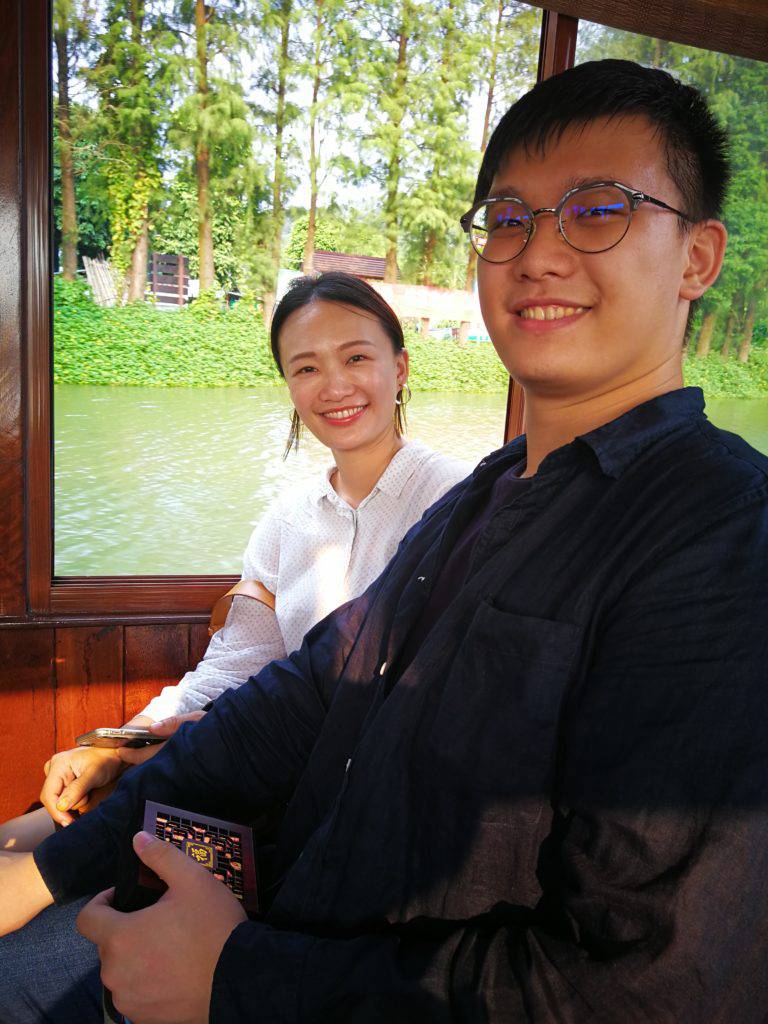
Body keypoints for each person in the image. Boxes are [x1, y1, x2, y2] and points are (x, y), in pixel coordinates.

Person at [2, 57, 768, 1024]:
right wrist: (50, 864)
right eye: (508, 218)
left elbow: (648, 987)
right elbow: (299, 697)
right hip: (282, 917)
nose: (538, 253)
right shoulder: (486, 498)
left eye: (598, 209)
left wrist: (235, 980)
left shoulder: (724, 538)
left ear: (697, 258)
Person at [0, 271, 468, 854]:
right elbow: (237, 663)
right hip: (269, 767)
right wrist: (121, 740)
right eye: (306, 368)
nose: (334, 386)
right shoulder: (288, 518)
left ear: (399, 368)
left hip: (390, 797)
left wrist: (217, 738)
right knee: (43, 821)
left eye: (356, 357)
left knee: (58, 849)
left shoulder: (461, 501)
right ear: (289, 385)